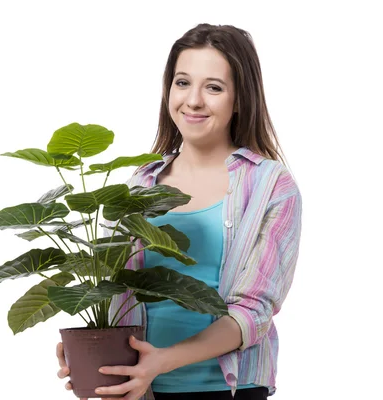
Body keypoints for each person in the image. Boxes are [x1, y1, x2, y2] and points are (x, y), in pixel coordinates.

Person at [56, 23, 302, 400]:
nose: (194, 101)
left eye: (214, 87)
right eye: (182, 82)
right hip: (139, 388)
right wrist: (90, 344)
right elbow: (113, 285)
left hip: (228, 388)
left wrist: (162, 360)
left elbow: (253, 310)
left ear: (240, 99)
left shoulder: (270, 186)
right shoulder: (140, 184)